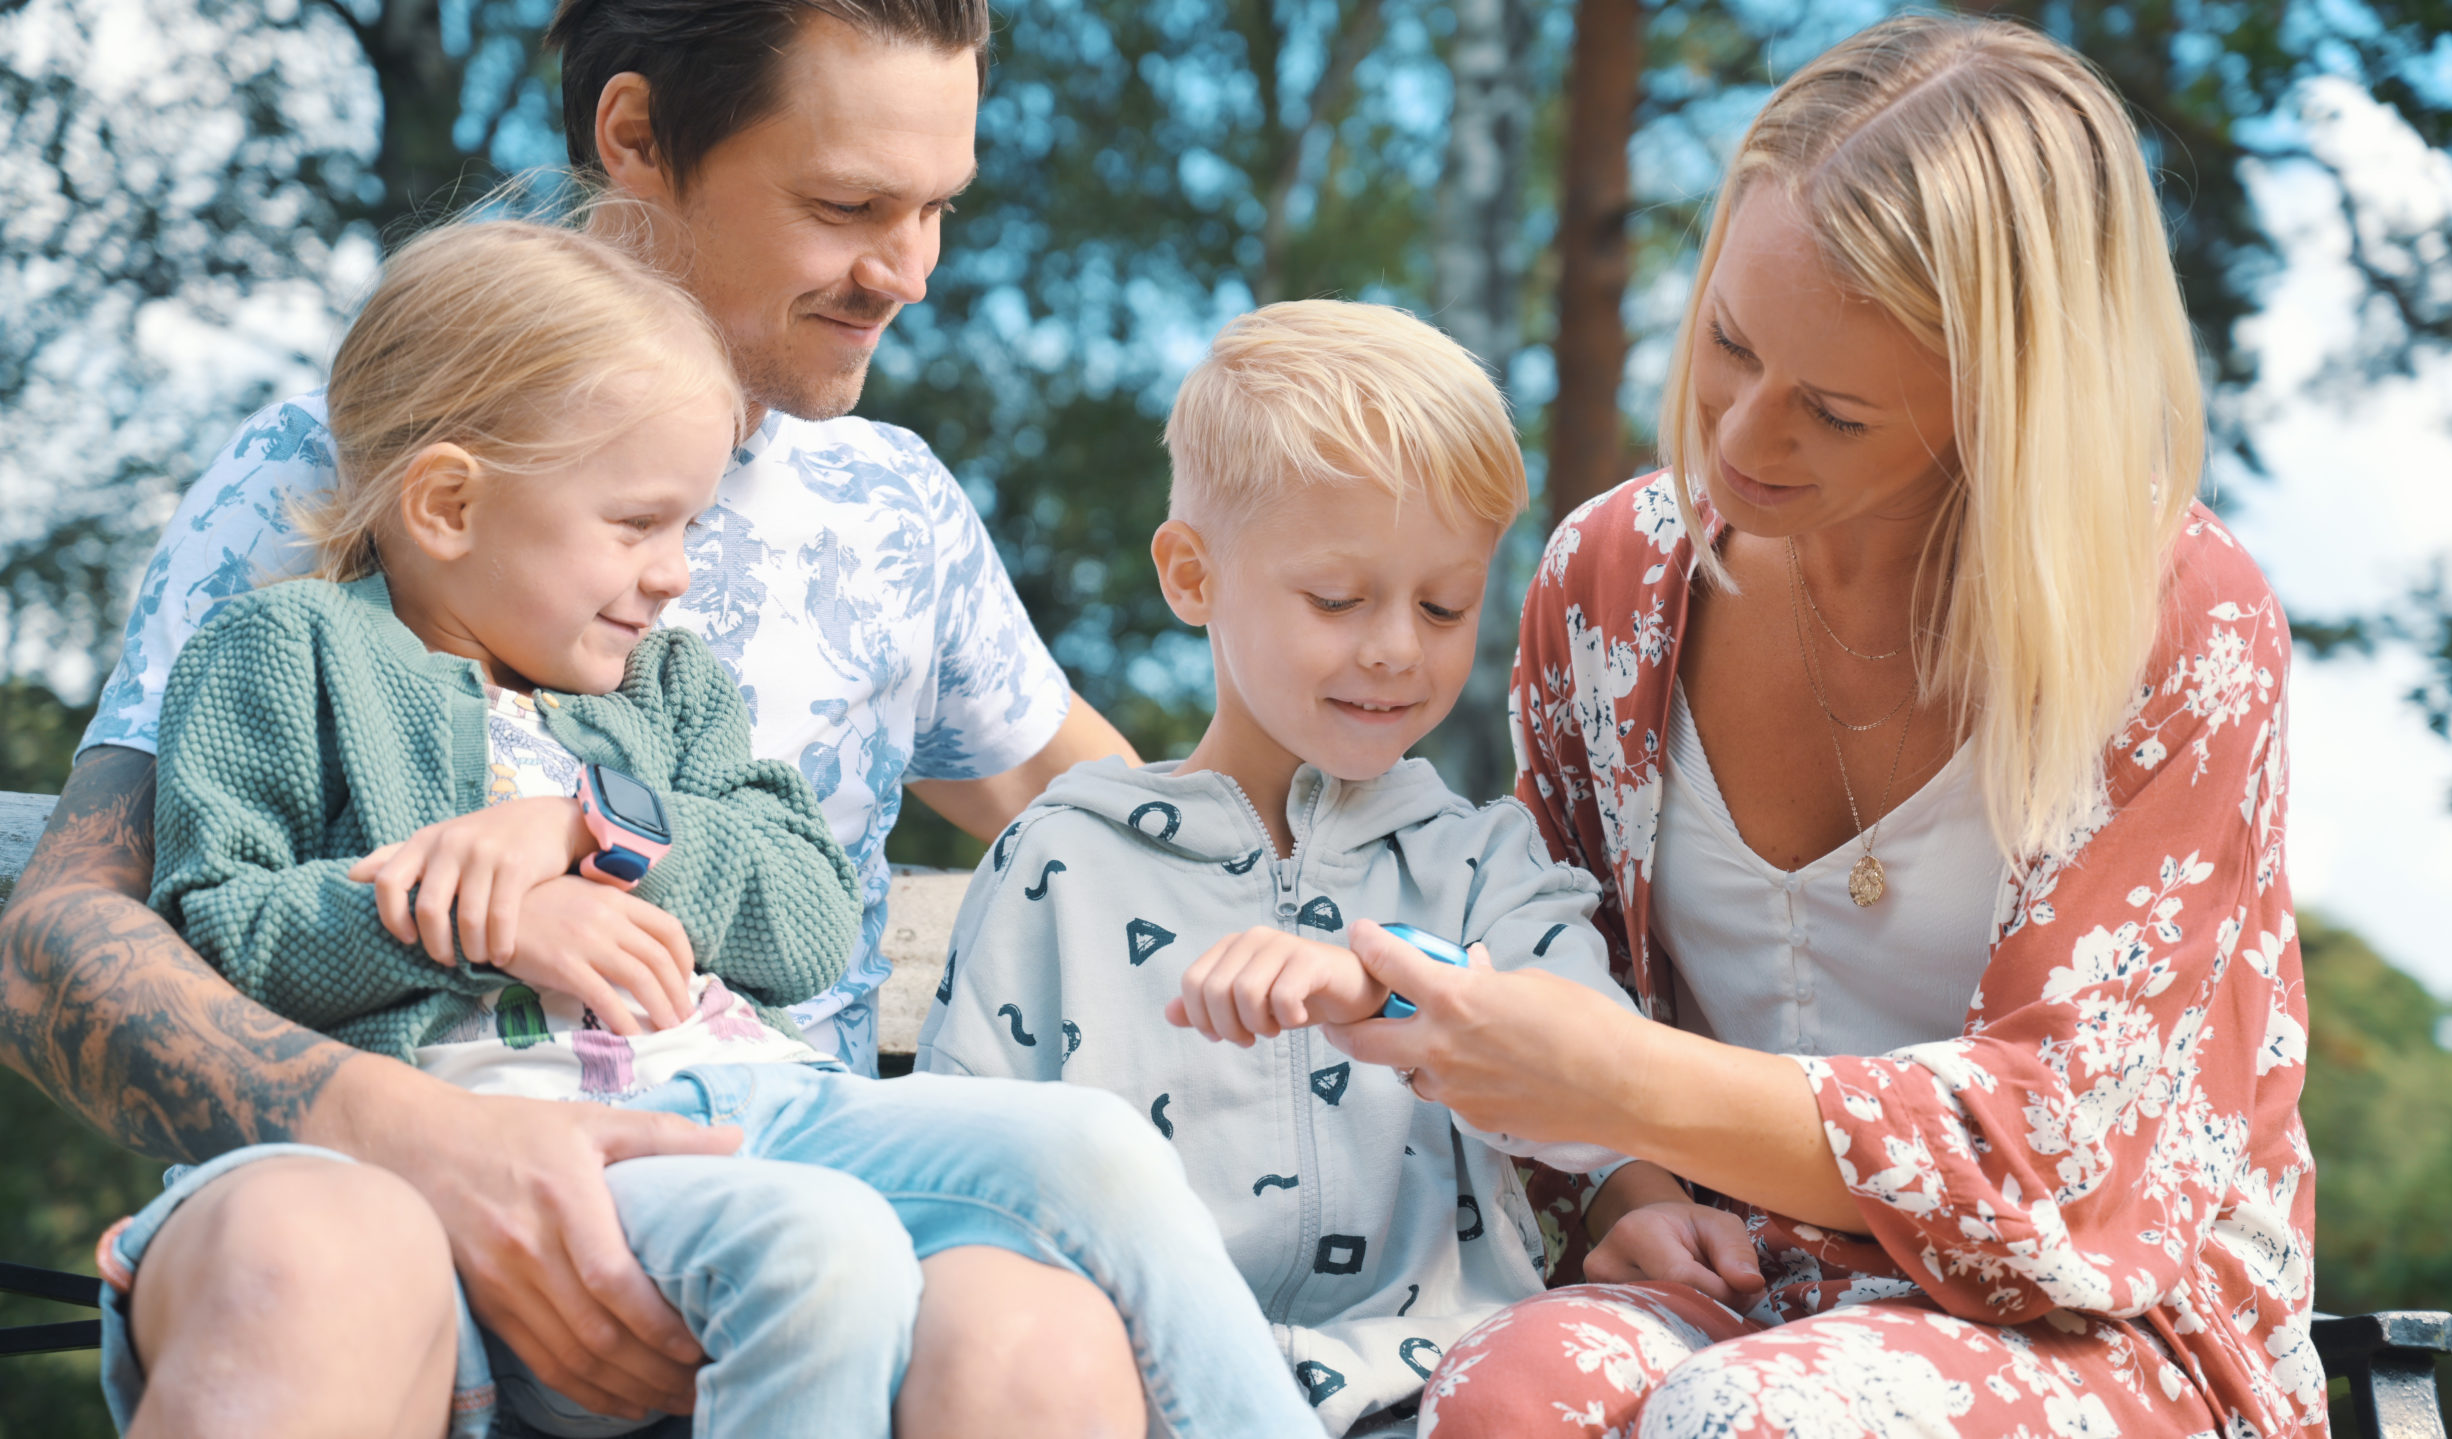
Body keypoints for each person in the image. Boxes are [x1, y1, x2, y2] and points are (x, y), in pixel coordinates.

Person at [0, 1, 1159, 1434]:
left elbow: (1129, 838)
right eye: (848, 204)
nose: (910, 272)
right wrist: (419, 1134)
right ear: (633, 137)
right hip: (393, 1157)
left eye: (939, 209)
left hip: (781, 1210)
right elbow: (62, 931)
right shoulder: (333, 470)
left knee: (1031, 1326)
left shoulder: (890, 511)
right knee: (310, 1260)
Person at [113, 217, 1323, 1439]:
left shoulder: (667, 689)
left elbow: (800, 916)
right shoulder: (285, 655)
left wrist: (580, 831)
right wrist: (487, 926)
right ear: (446, 504)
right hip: (522, 1137)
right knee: (820, 1243)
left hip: (764, 1100)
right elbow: (219, 931)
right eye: (638, 524)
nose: (678, 571)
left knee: (1098, 1145)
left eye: (689, 526)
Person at [1316, 16, 2324, 1439]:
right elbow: (1559, 969)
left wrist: (1624, 1080)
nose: (1738, 436)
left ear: (2002, 406)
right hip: (1742, 1278)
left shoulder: (2176, 622)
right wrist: (1623, 1181)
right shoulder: (1610, 585)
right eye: (1727, 339)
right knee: (1508, 1393)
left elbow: (2062, 1168)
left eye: (1835, 412)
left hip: (2110, 1321)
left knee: (1751, 1420)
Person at [916, 300, 1646, 1437]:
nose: (1398, 645)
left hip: (1443, 1391)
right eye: (1338, 599)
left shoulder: (1479, 856)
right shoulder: (1064, 857)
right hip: (1139, 1386)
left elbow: (1590, 1063)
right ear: (1192, 575)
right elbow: (958, 1153)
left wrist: (1399, 983)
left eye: (1443, 604)